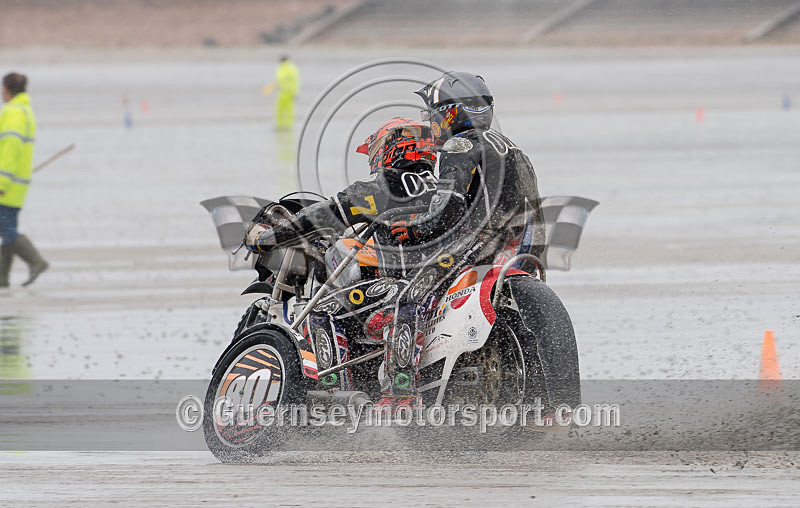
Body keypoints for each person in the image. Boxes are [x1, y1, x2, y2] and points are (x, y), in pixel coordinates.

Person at [244, 118, 438, 404]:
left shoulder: (389, 186)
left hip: (406, 292)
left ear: (392, 149)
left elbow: (324, 215)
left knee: (322, 310)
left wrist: (269, 237)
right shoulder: (449, 186)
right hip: (444, 282)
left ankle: (337, 396)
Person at [0, 72, 48, 289]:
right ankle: (2, 278)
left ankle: (36, 261)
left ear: (7, 89)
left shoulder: (13, 113)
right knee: (6, 228)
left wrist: (1, 183)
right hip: (18, 182)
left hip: (8, 184)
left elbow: (10, 149)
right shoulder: (25, 110)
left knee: (7, 229)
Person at [273, 55, 300, 130]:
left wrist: (295, 93)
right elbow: (280, 80)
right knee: (280, 110)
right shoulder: (282, 68)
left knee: (288, 110)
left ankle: (287, 126)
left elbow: (295, 81)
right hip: (283, 92)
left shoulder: (289, 68)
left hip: (289, 93)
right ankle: (280, 126)